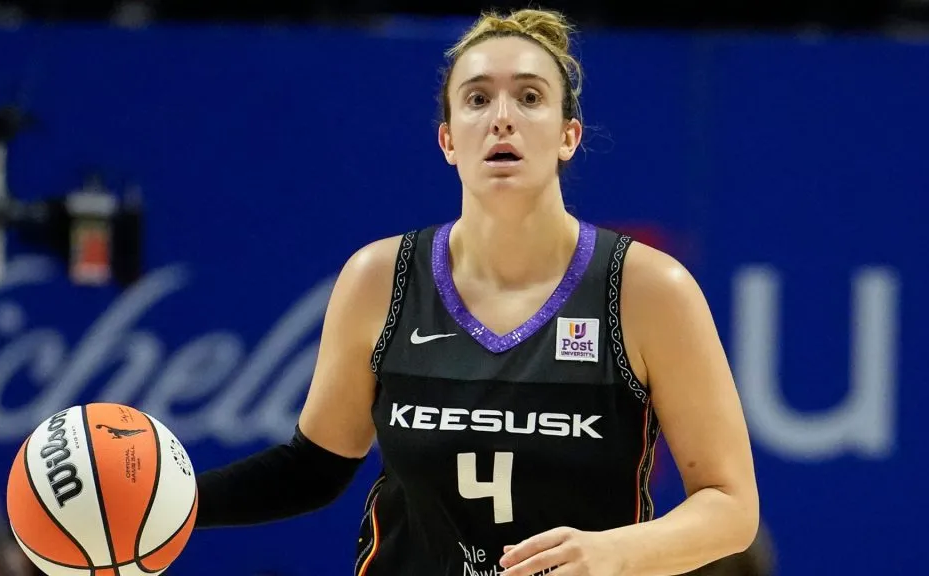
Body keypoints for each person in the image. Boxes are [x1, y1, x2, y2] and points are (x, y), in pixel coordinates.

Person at [195, 7, 759, 575]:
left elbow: (732, 506)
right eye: (477, 98)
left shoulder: (649, 289)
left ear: (569, 136)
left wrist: (615, 552)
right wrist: (172, 506)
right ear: (447, 140)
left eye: (531, 97)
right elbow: (311, 470)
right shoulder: (379, 278)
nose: (502, 118)